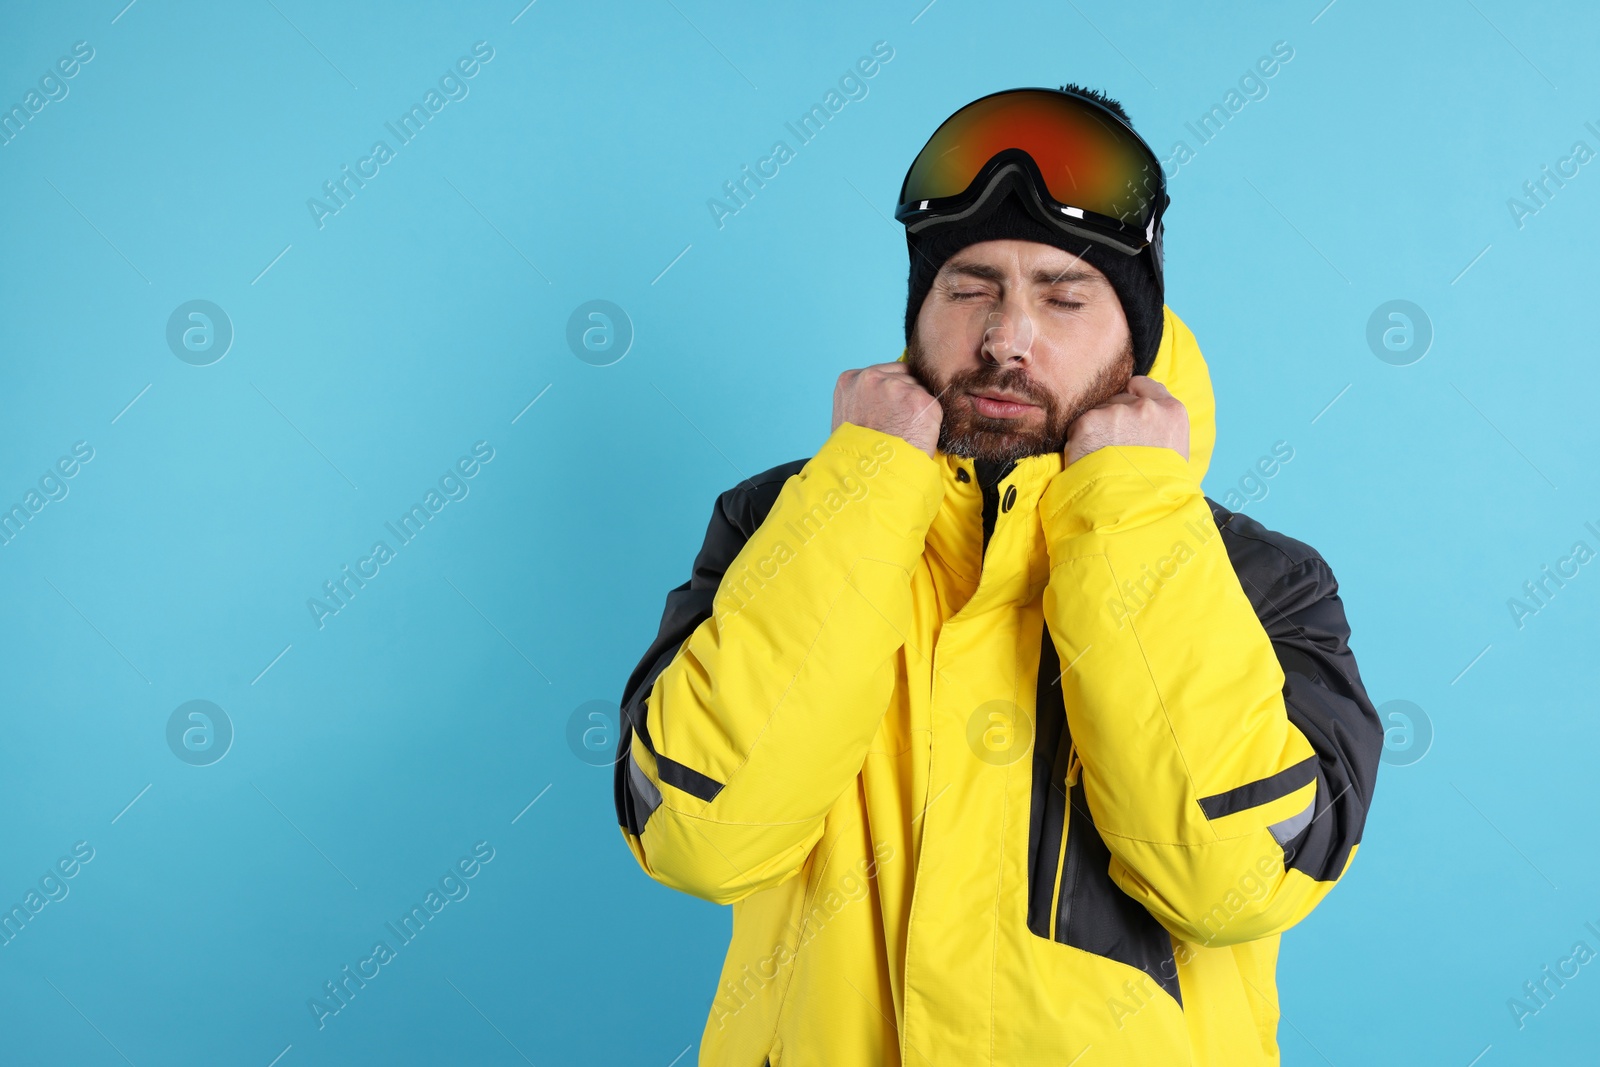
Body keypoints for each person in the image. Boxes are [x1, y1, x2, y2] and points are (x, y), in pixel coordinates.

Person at [613, 83, 1384, 1066]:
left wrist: (1130, 513)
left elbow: (1233, 881)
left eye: (1064, 297)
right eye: (969, 287)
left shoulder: (1262, 579)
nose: (1006, 338)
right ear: (918, 311)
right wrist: (864, 488)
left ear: (1135, 335)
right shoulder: (778, 522)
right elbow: (697, 837)